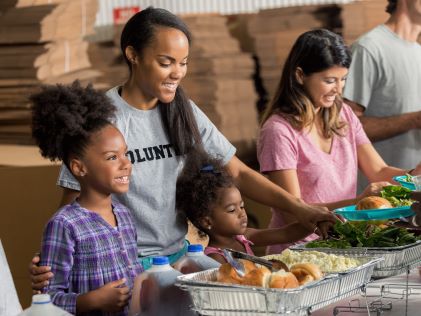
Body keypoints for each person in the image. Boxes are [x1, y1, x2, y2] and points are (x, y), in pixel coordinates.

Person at [30, 7, 336, 288]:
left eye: (183, 63)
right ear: (132, 54)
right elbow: (74, 204)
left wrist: (300, 209)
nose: (177, 72)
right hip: (123, 268)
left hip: (177, 261)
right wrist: (53, 259)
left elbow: (238, 173)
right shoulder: (105, 120)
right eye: (166, 62)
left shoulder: (181, 109)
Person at [257, 29, 421, 254]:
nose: (339, 89)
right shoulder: (278, 131)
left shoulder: (343, 114)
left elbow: (378, 169)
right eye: (329, 80)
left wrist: (413, 175)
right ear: (300, 75)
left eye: (343, 79)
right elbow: (293, 210)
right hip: (299, 252)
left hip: (342, 244)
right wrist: (358, 202)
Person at [30, 82, 143, 315]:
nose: (126, 163)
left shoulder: (124, 214)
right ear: (79, 168)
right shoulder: (64, 224)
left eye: (126, 154)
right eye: (112, 157)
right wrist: (93, 300)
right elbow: (47, 300)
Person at [176, 151, 313, 264]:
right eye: (232, 210)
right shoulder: (214, 258)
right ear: (207, 221)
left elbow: (286, 234)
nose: (242, 213)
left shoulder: (243, 237)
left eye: (242, 206)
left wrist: (314, 224)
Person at [343, 0, 421, 173]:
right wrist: (414, 120)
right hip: (380, 194)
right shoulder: (368, 48)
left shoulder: (419, 52)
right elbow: (344, 128)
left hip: (414, 191)